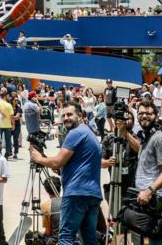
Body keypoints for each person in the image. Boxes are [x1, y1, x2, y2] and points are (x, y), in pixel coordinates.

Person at [30, 104, 102, 245]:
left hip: (76, 193)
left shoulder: (75, 133)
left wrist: (39, 158)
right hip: (92, 194)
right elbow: (76, 163)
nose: (66, 118)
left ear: (80, 116)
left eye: (70, 114)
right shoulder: (89, 134)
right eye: (63, 115)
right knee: (89, 239)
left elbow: (57, 162)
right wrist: (55, 165)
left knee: (66, 238)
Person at [123, 101, 162, 245]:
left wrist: (149, 191)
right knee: (145, 237)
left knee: (155, 238)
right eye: (141, 113)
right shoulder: (147, 138)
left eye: (148, 113)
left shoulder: (159, 139)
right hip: (143, 196)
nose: (144, 116)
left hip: (153, 197)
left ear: (156, 117)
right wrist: (124, 133)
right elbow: (140, 150)